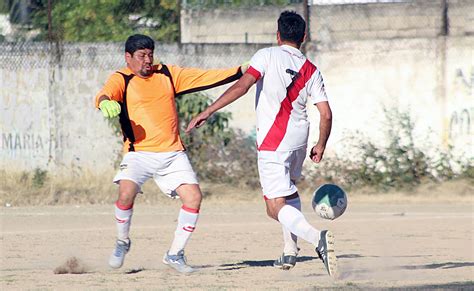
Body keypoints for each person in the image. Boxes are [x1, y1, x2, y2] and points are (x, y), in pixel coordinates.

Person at [186, 11, 336, 276]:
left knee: (273, 206)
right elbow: (325, 113)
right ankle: (290, 250)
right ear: (303, 37)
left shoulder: (266, 55)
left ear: (278, 35)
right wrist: (320, 145)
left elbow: (241, 87)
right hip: (299, 140)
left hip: (273, 141)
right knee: (288, 194)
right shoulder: (312, 69)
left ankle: (317, 239)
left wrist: (207, 111)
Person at [95, 34, 247, 274]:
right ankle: (122, 242)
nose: (147, 60)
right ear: (128, 57)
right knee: (125, 194)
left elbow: (204, 77)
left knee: (194, 198)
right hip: (138, 153)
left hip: (173, 153)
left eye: (150, 54)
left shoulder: (166, 74)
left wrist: (240, 70)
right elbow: (105, 94)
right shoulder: (121, 78)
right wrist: (104, 102)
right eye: (141, 56)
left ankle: (175, 254)